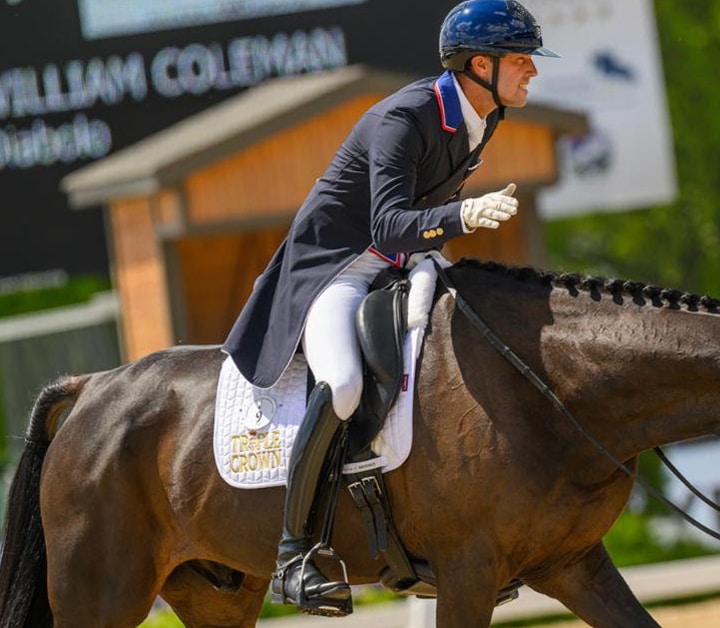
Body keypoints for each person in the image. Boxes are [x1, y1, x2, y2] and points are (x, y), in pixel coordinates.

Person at [220, 0, 558, 616]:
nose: (532, 70)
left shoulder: (486, 114)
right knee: (345, 384)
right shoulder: (407, 116)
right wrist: (462, 214)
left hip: (402, 265)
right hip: (336, 270)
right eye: (521, 59)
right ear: (480, 64)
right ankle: (295, 555)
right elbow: (391, 223)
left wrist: (448, 231)